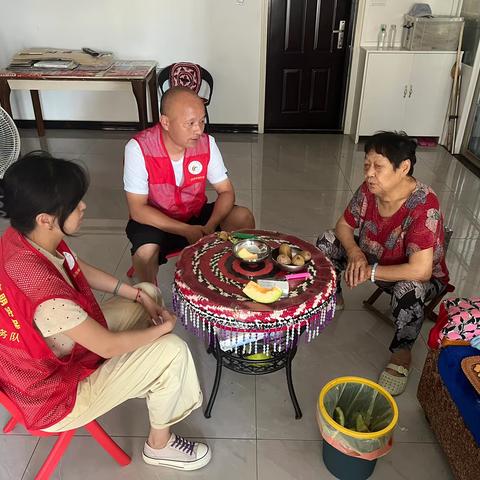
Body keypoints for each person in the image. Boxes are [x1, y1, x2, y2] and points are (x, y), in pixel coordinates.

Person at [0, 152, 211, 471]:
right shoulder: (49, 301)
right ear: (46, 218)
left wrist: (136, 294)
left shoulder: (22, 237)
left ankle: (149, 377)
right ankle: (159, 445)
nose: (83, 206)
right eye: (75, 204)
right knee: (172, 351)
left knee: (149, 292)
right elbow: (107, 347)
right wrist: (161, 331)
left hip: (39, 360)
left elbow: (76, 266)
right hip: (54, 396)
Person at [316, 132, 449, 396]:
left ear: (403, 168)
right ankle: (334, 297)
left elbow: (421, 270)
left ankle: (401, 354)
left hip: (416, 275)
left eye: (378, 166)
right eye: (367, 165)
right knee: (326, 241)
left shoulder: (423, 205)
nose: (369, 173)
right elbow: (343, 225)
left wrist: (370, 271)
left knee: (409, 289)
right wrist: (354, 253)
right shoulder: (369, 190)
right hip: (371, 257)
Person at [124, 86, 255, 283]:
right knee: (145, 252)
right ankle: (150, 299)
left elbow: (226, 191)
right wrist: (185, 231)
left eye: (202, 121)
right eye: (190, 123)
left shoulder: (207, 143)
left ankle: (237, 278)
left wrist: (209, 226)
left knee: (242, 217)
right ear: (165, 122)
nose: (198, 130)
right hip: (157, 221)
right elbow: (138, 210)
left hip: (195, 216)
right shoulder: (138, 148)